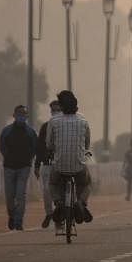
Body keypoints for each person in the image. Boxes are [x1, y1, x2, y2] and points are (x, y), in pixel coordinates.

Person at [43, 90, 93, 228]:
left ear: (61, 106)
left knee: (52, 184)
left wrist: (53, 149)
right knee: (87, 183)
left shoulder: (53, 121)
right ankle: (81, 203)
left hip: (59, 166)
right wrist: (84, 152)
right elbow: (87, 143)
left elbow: (48, 144)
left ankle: (59, 203)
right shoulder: (83, 120)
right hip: (78, 165)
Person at [0, 105, 38, 230]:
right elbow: (2, 147)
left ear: (27, 116)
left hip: (24, 167)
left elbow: (34, 148)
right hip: (9, 166)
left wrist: (28, 160)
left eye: (24, 114)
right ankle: (11, 215)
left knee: (20, 194)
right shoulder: (6, 131)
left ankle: (18, 220)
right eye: (19, 113)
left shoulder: (31, 132)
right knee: (10, 195)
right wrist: (8, 157)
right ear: (14, 115)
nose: (21, 116)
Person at [34, 100, 64, 233]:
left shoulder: (66, 127)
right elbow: (39, 147)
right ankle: (49, 213)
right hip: (47, 164)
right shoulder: (45, 127)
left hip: (63, 164)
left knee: (62, 193)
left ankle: (61, 220)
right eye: (54, 111)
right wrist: (36, 164)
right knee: (47, 191)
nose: (55, 113)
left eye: (58, 110)